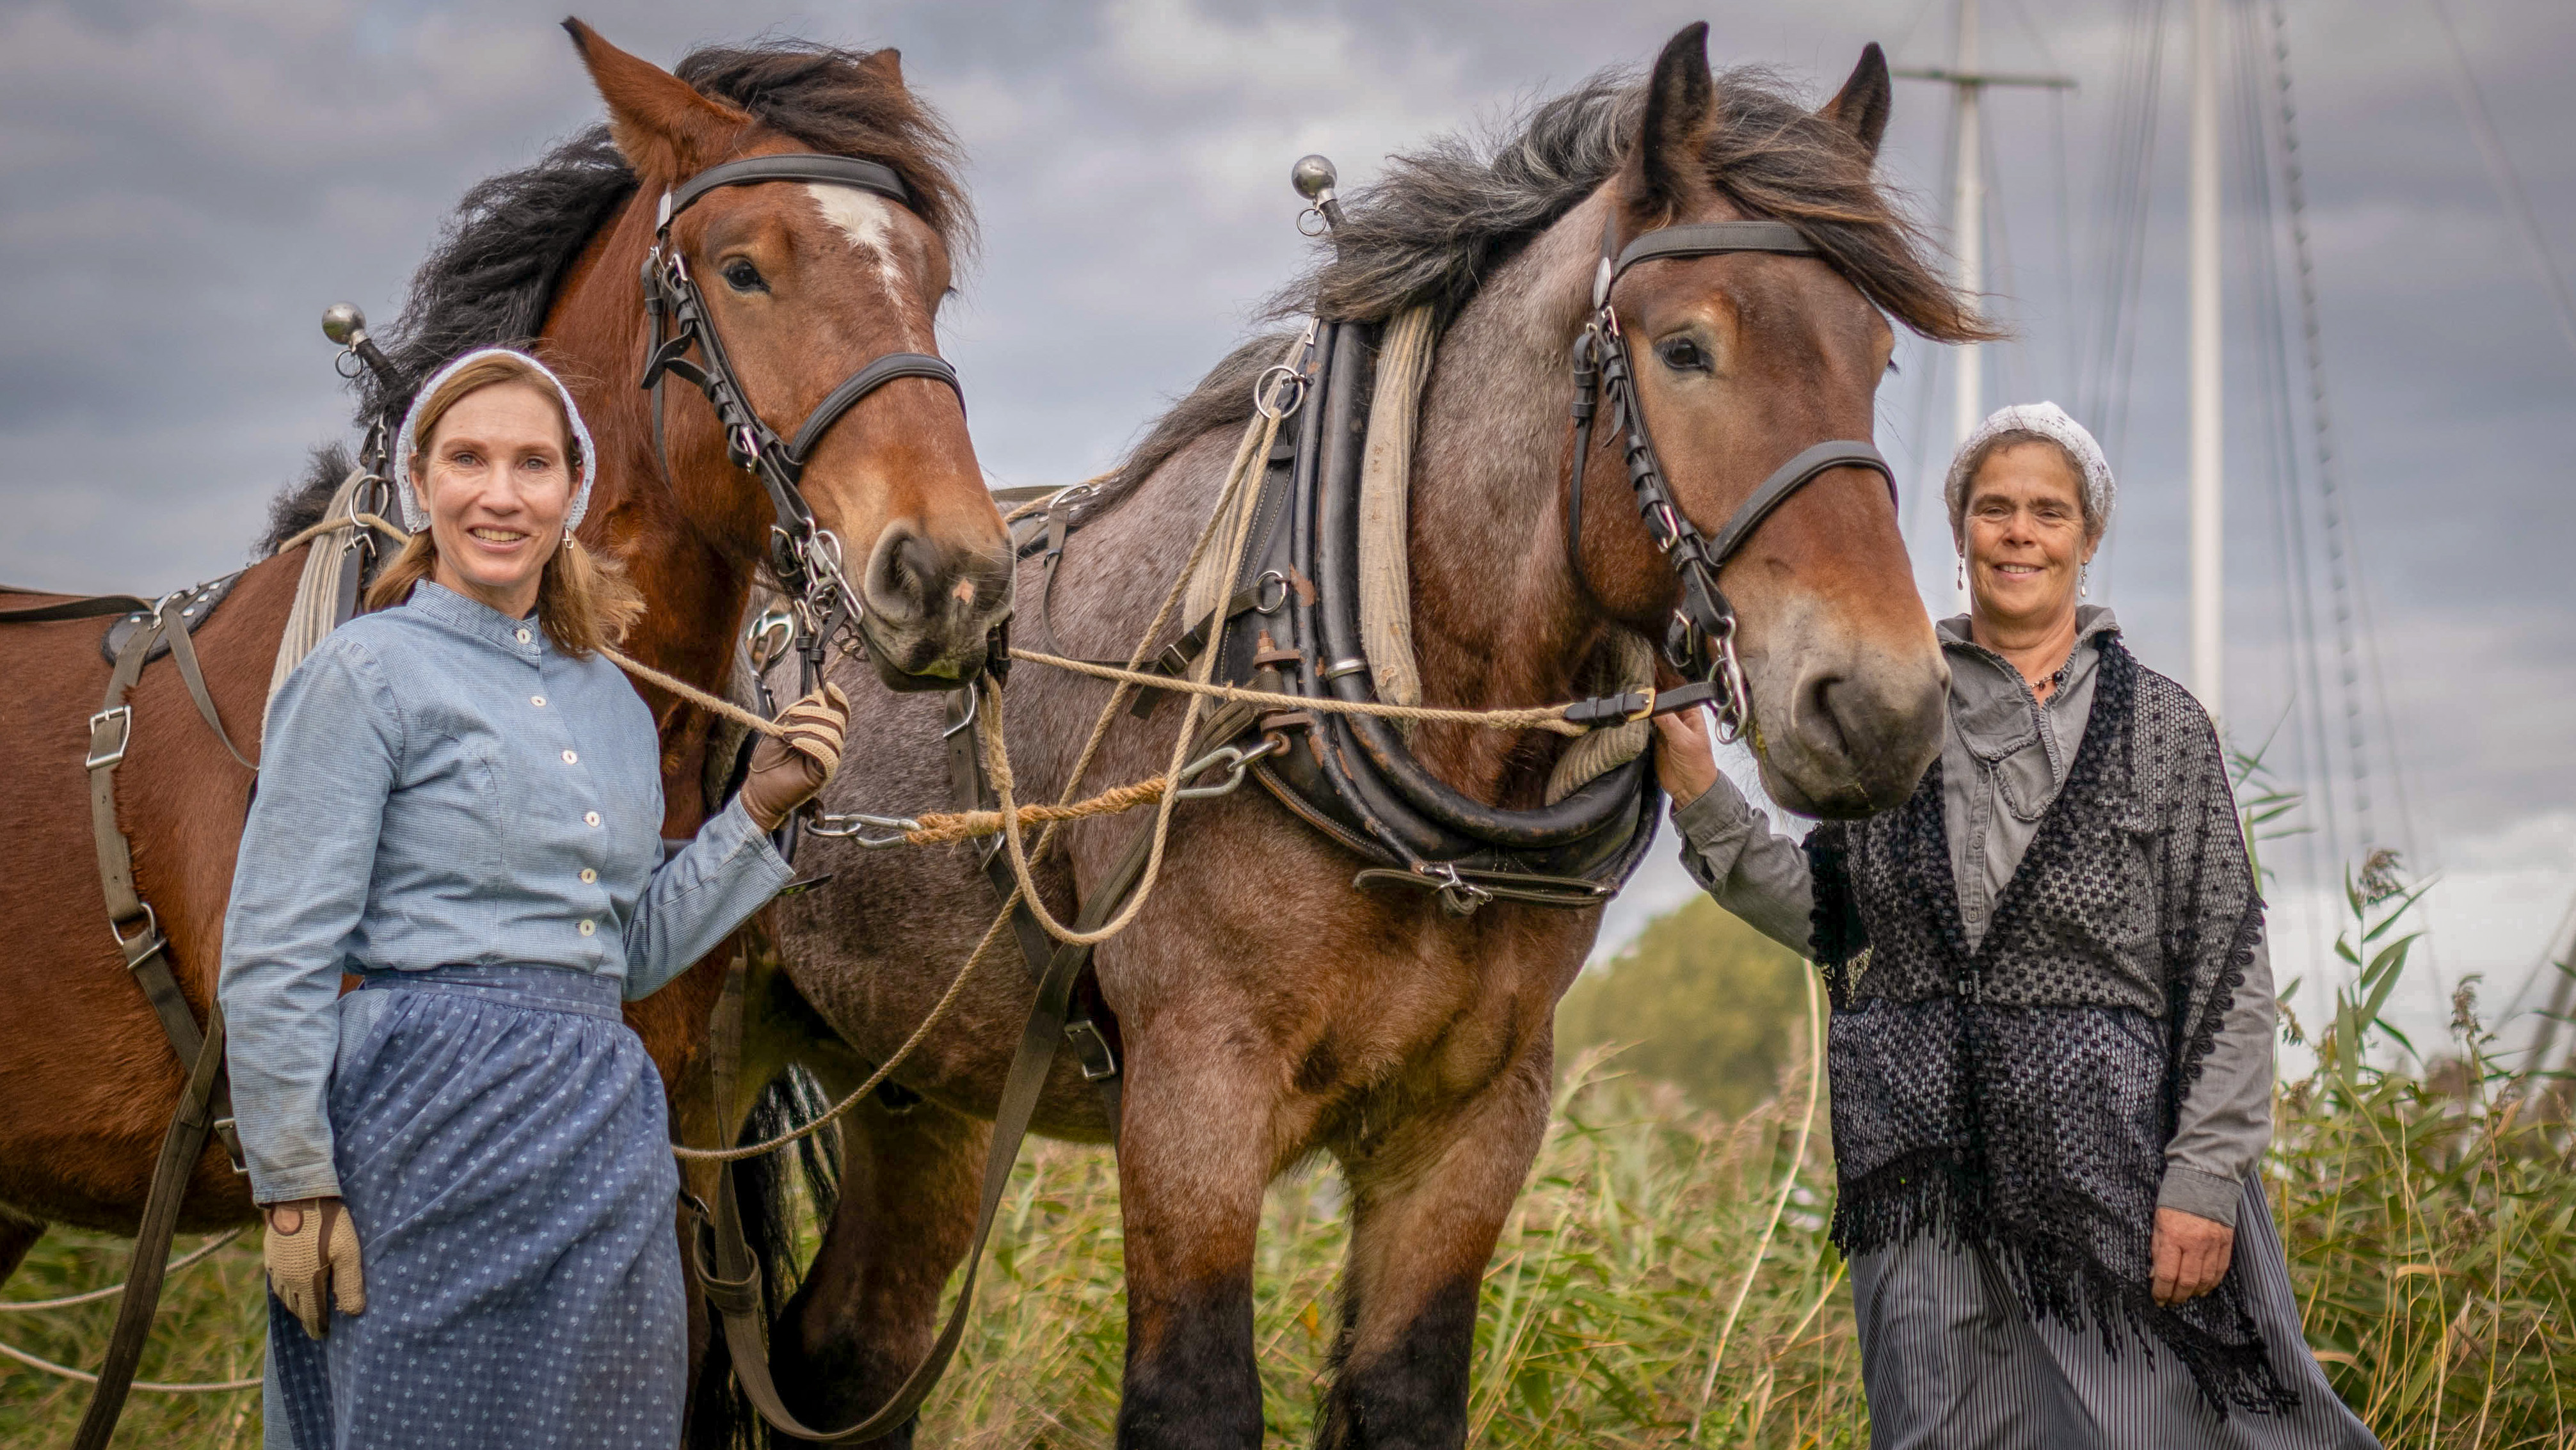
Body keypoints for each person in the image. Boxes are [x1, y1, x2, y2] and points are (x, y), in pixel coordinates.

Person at [1651, 402, 2378, 1448]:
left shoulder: (2163, 727)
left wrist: (2204, 1180)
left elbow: (2227, 973)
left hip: (2115, 1180)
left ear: (2086, 538)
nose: (2019, 531)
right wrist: (1697, 793)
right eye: (1994, 509)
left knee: (2160, 1431)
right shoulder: (1898, 713)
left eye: (2047, 512)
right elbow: (1833, 917)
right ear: (1960, 534)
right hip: (1922, 1185)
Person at [220, 347, 851, 1450]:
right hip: (419, 1120)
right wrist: (294, 1180)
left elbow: (627, 947)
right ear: (422, 482)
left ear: (573, 489)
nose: (499, 493)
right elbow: (276, 948)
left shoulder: (609, 697)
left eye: (532, 463)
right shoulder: (365, 672)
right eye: (468, 459)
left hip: (600, 1130)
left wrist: (757, 811)